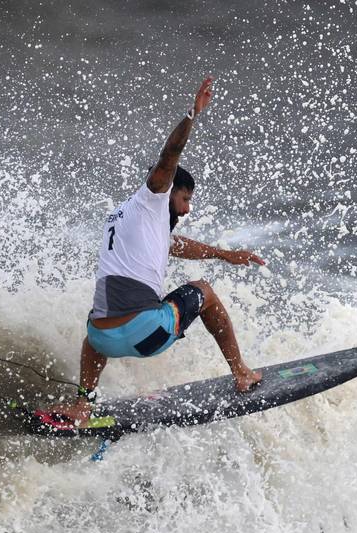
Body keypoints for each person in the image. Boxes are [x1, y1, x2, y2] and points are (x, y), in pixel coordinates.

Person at [50, 77, 265, 425]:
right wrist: (192, 114)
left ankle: (83, 404)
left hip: (104, 340)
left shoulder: (123, 218)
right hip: (147, 334)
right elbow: (170, 156)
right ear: (168, 190)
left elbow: (176, 245)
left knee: (97, 322)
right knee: (205, 292)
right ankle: (241, 371)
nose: (186, 209)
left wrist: (225, 254)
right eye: (185, 199)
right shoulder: (154, 195)